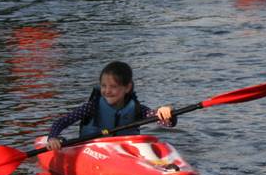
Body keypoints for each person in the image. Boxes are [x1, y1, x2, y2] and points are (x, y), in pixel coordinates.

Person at [45, 61, 174, 151]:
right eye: (103, 86)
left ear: (127, 87)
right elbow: (61, 122)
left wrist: (167, 112)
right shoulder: (92, 107)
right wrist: (52, 138)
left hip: (125, 151)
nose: (107, 91)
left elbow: (167, 123)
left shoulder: (136, 109)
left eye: (113, 87)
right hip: (94, 151)